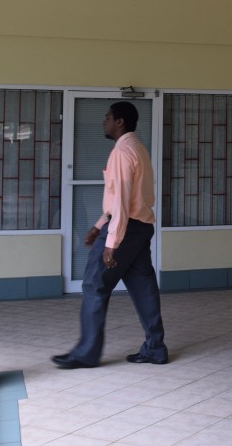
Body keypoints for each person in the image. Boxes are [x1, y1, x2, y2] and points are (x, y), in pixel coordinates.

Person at [52, 101, 169, 368]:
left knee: (94, 285)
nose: (103, 122)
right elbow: (122, 198)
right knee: (143, 287)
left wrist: (111, 241)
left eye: (107, 117)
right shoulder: (138, 149)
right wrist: (98, 224)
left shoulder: (122, 152)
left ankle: (86, 353)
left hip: (124, 228)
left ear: (120, 122)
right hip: (140, 227)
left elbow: (122, 202)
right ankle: (156, 348)